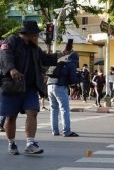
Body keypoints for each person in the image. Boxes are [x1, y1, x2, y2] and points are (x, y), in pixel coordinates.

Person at [0, 20, 66, 155]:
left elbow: (46, 59)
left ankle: (30, 143)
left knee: (32, 112)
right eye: (35, 35)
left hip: (30, 87)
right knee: (11, 117)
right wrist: (12, 70)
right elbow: (5, 56)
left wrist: (63, 53)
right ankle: (11, 143)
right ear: (28, 34)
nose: (37, 37)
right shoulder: (12, 41)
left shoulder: (34, 48)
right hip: (12, 86)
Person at [47, 52, 80, 137]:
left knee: (54, 109)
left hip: (50, 85)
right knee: (64, 109)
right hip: (60, 86)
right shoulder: (71, 64)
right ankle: (66, 131)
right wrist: (79, 78)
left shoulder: (60, 62)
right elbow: (73, 80)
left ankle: (55, 131)